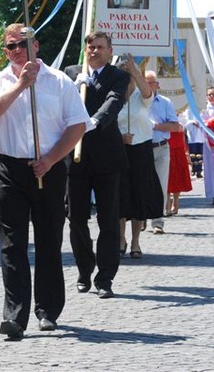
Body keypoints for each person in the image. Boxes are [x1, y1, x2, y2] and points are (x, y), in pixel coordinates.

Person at [0, 23, 89, 340]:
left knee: (49, 240)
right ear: (5, 51)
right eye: (12, 46)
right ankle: (14, 316)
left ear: (36, 46)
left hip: (49, 169)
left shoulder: (59, 82)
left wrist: (52, 158)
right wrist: (19, 86)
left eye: (24, 44)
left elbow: (78, 125)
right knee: (12, 245)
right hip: (11, 168)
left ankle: (48, 310)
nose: (18, 51)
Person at [65, 31, 129, 299]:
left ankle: (105, 277)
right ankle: (84, 268)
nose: (94, 51)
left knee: (108, 219)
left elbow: (114, 102)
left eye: (100, 47)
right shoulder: (70, 74)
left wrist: (91, 123)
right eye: (90, 46)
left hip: (106, 155)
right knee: (76, 217)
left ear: (109, 50)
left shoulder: (118, 75)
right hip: (74, 157)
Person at [115, 55, 158, 259]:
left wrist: (135, 71)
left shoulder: (141, 96)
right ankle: (121, 239)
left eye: (128, 75)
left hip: (141, 150)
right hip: (119, 150)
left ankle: (135, 242)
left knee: (138, 196)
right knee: (121, 196)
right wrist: (119, 138)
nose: (126, 78)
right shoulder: (112, 97)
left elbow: (148, 92)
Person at [146, 70, 182, 234]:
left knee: (160, 185)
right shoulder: (136, 101)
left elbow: (175, 126)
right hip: (142, 147)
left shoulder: (165, 102)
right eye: (145, 82)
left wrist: (155, 126)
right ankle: (141, 218)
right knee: (142, 184)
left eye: (150, 83)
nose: (147, 85)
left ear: (157, 85)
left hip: (160, 146)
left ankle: (157, 222)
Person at [167, 115, 192, 216]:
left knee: (177, 176)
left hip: (178, 148)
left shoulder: (181, 115)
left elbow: (181, 127)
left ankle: (176, 201)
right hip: (166, 146)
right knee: (166, 177)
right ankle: (167, 203)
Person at [183, 108, 204, 178]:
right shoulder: (188, 110)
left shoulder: (201, 108)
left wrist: (200, 124)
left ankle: (199, 171)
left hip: (200, 136)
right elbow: (185, 122)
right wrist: (192, 122)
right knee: (193, 154)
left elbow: (204, 120)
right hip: (192, 137)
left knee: (200, 155)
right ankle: (193, 169)